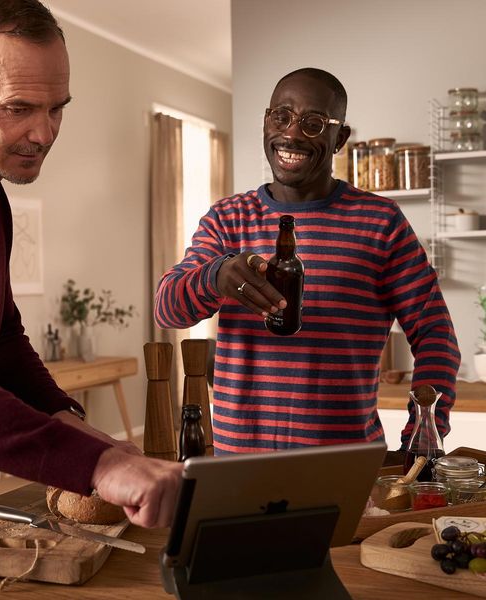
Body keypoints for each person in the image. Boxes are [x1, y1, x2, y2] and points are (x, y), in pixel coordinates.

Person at [0, 0, 182, 537]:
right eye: (18, 108)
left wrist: (78, 432)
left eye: (56, 108)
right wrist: (100, 465)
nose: (44, 133)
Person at [155, 67, 460, 455]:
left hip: (343, 466)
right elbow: (167, 310)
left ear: (340, 139)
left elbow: (436, 335)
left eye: (314, 123)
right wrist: (215, 277)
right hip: (237, 468)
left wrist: (423, 434)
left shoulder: (381, 223)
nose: (292, 133)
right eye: (281, 116)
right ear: (266, 122)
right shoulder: (227, 218)